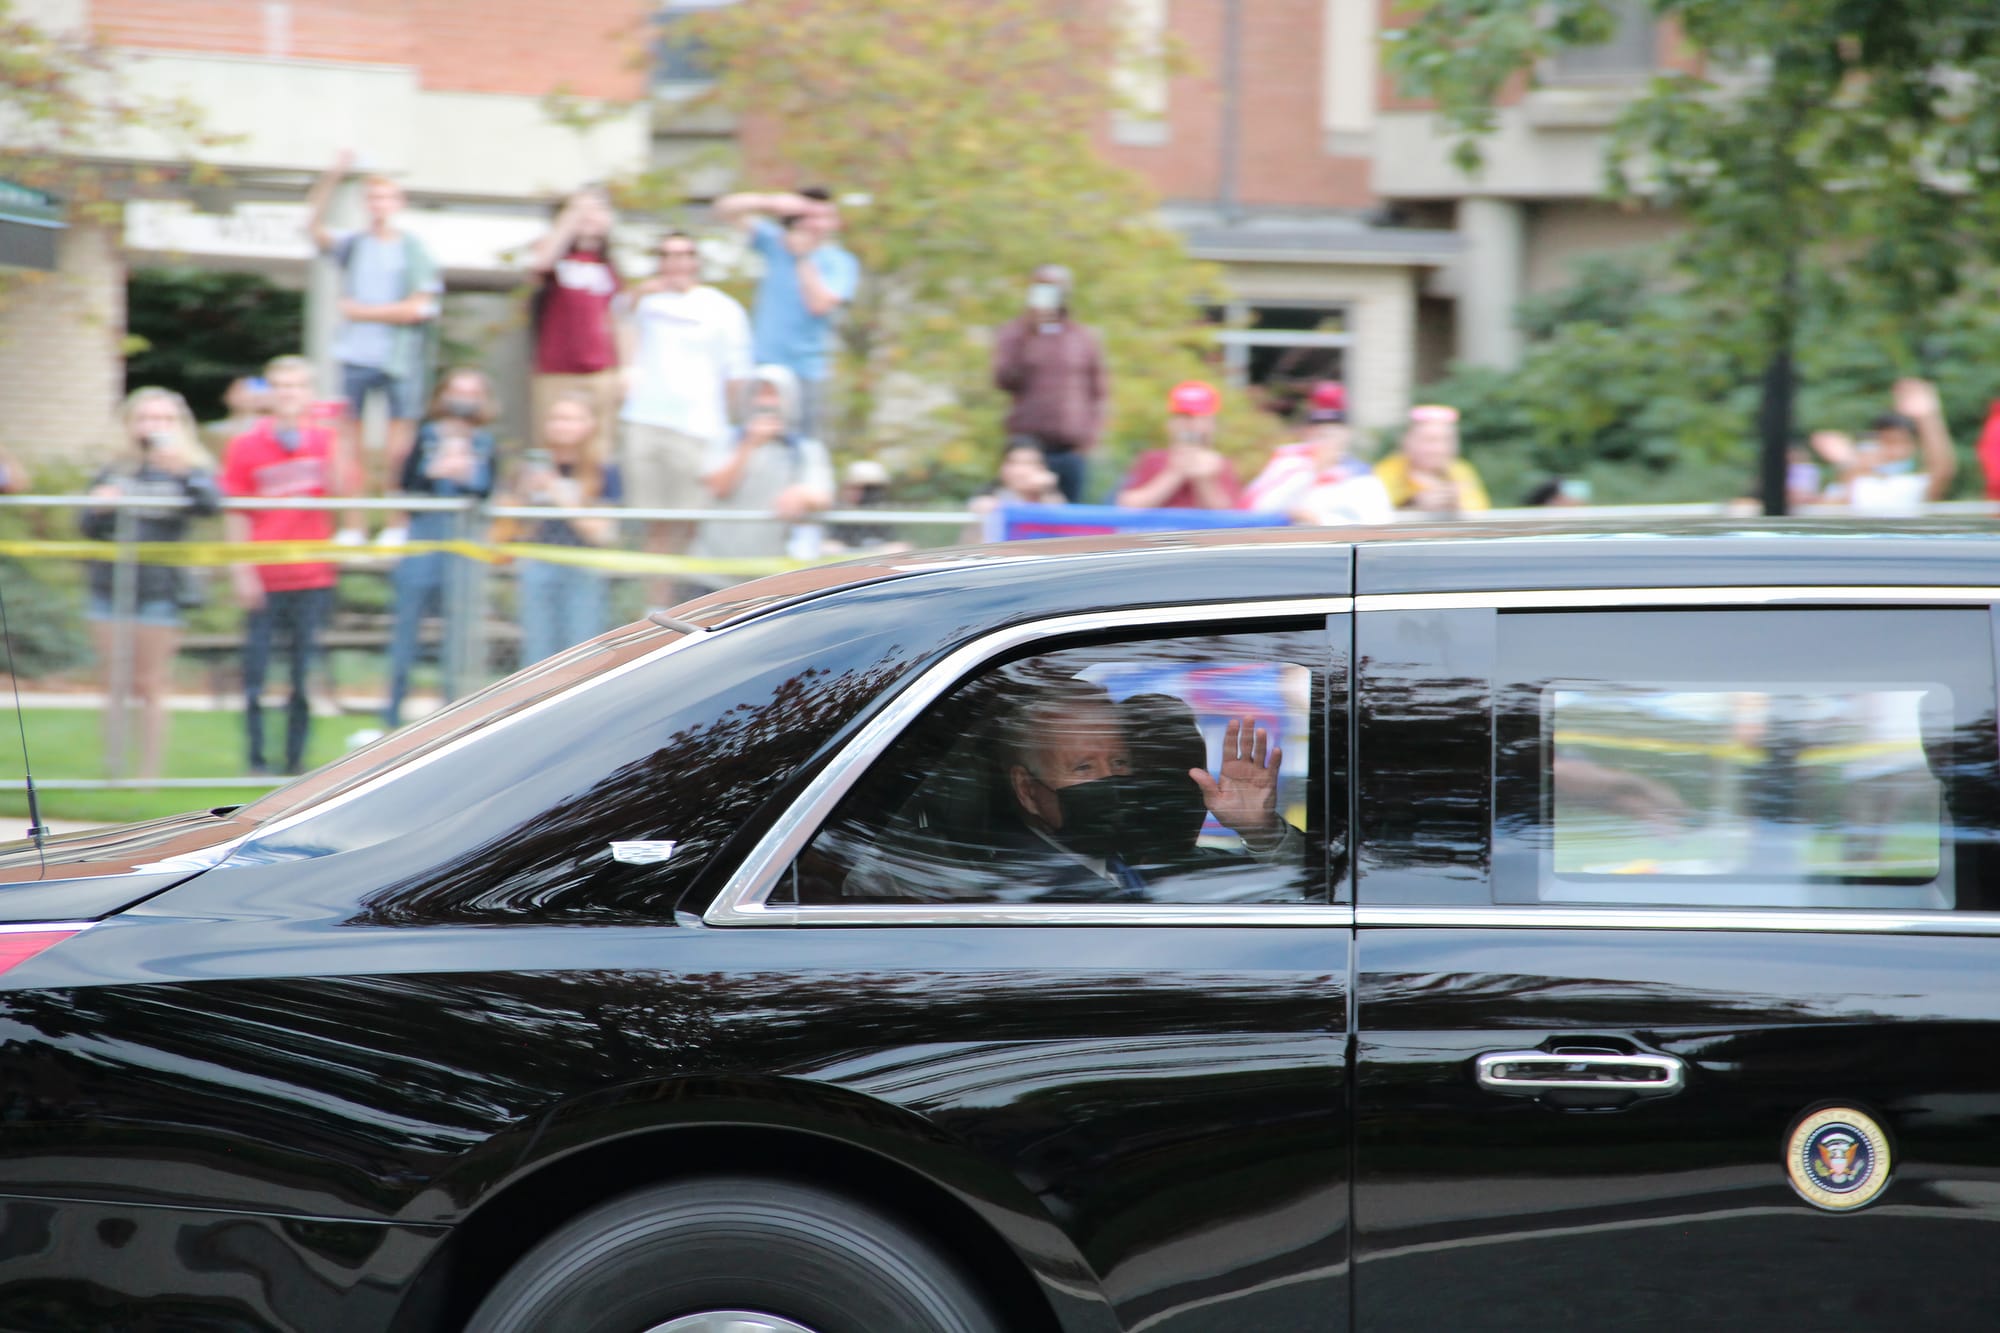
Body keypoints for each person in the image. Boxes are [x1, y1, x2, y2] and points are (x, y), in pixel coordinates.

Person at [993, 680, 1293, 899]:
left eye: (1120, 762)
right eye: (1084, 767)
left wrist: (1261, 832)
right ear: (1027, 791)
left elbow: (1314, 888)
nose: (1111, 780)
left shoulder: (1189, 869)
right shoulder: (1023, 892)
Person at [78, 388, 221, 779]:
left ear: (179, 425)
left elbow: (212, 504)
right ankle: (112, 771)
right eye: (145, 418)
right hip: (109, 587)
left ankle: (148, 775)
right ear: (129, 425)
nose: (153, 427)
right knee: (113, 679)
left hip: (160, 590)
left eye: (164, 419)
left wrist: (183, 472)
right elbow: (86, 526)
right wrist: (99, 506)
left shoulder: (190, 467)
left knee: (150, 682)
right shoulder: (115, 468)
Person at [220, 355, 350, 775]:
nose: (289, 394)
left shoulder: (326, 441)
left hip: (312, 575)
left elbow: (345, 491)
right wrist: (241, 570)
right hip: (264, 575)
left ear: (308, 393)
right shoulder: (245, 445)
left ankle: (295, 762)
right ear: (269, 394)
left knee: (301, 673)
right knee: (256, 674)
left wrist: (340, 434)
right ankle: (256, 760)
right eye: (281, 386)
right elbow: (236, 511)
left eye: (297, 386)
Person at [304, 149, 441, 542]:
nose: (379, 205)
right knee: (351, 446)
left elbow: (419, 308)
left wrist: (361, 312)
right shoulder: (354, 244)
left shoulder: (413, 249)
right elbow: (313, 225)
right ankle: (354, 525)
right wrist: (333, 176)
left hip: (400, 359)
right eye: (372, 198)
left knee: (399, 449)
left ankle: (395, 524)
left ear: (398, 204)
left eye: (386, 198)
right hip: (355, 357)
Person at [617, 230, 752, 603]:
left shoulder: (722, 308)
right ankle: (653, 609)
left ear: (696, 261)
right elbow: (612, 321)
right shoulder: (642, 302)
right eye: (667, 254)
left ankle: (688, 606)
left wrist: (731, 429)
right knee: (655, 526)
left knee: (691, 523)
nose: (676, 262)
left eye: (684, 254)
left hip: (698, 428)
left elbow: (736, 375)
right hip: (645, 421)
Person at [381, 368, 498, 729]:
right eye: (457, 390)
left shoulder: (485, 442)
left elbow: (485, 492)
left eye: (471, 391)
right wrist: (434, 470)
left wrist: (465, 474)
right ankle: (392, 713)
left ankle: (456, 713)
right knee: (407, 626)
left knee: (459, 632)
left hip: (462, 545)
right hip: (424, 538)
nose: (462, 398)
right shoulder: (426, 434)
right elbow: (406, 484)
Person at [714, 187, 861, 439]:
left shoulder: (840, 262)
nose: (816, 223)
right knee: (755, 441)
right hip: (764, 364)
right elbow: (725, 210)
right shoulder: (775, 243)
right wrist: (770, 202)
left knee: (804, 447)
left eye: (824, 216)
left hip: (807, 372)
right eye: (809, 215)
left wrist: (803, 258)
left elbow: (820, 304)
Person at [493, 392, 624, 666]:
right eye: (557, 418)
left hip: (583, 565)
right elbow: (507, 526)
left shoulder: (603, 471)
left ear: (590, 425)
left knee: (581, 650)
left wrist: (557, 491)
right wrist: (523, 494)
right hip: (538, 563)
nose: (563, 425)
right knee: (539, 654)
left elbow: (600, 532)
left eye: (572, 418)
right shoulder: (529, 467)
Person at [692, 364, 834, 564]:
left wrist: (803, 494)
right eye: (759, 393)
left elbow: (823, 497)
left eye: (773, 394)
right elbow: (717, 487)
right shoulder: (725, 441)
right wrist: (749, 444)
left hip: (772, 575)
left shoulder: (805, 450)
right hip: (713, 571)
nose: (765, 402)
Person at [992, 264, 1107, 502]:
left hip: (1070, 449)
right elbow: (1004, 379)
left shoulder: (1081, 338)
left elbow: (1097, 391)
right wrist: (1030, 334)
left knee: (1067, 522)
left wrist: (1090, 437)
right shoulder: (1016, 334)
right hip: (1029, 448)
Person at [526, 186, 622, 467]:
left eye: (599, 209)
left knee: (599, 449)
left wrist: (625, 368)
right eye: (585, 210)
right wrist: (572, 216)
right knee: (549, 443)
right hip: (556, 369)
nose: (591, 216)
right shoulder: (557, 257)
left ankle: (591, 506)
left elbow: (620, 319)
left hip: (601, 370)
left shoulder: (610, 266)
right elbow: (540, 264)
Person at [1241, 381, 1392, 526]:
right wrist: (1309, 473)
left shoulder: (1361, 476)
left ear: (1346, 435)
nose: (1324, 443)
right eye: (1318, 435)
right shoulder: (1287, 465)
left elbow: (1377, 523)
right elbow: (1255, 511)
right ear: (1306, 434)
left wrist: (1320, 520)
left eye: (1331, 434)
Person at [1808, 378, 1957, 516]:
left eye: (1899, 442)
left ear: (1913, 447)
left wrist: (1928, 417)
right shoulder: (1854, 482)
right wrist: (1850, 467)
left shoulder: (1911, 485)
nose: (1893, 450)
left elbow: (1942, 469)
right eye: (1887, 442)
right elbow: (1825, 514)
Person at [1115, 380, 1243, 510]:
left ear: (1212, 425)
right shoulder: (1153, 459)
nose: (1192, 425)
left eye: (1201, 418)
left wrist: (1205, 481)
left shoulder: (1219, 464)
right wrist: (1174, 473)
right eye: (1184, 417)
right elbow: (1128, 505)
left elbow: (1227, 516)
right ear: (1171, 423)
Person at [1374, 404, 1490, 514]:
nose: (1439, 449)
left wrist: (1457, 507)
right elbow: (1376, 517)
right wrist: (1414, 507)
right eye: (1429, 440)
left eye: (1446, 440)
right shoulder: (1387, 472)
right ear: (1406, 441)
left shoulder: (1461, 470)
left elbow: (1481, 514)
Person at [964, 442, 1066, 541]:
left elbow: (1060, 519)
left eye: (1029, 463)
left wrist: (1047, 490)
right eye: (1014, 463)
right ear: (1002, 467)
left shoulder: (1048, 495)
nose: (1020, 470)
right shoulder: (989, 497)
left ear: (1042, 468)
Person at [201, 376, 270, 454]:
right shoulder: (211, 429)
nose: (250, 395)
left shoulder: (273, 428)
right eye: (241, 390)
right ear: (226, 396)